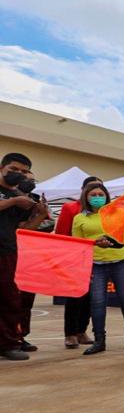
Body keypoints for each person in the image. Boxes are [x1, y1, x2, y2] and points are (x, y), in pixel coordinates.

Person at [72, 182, 124, 356]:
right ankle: (99, 340)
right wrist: (95, 242)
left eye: (101, 194)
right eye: (93, 195)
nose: (98, 198)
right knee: (97, 303)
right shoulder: (79, 218)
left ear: (107, 196)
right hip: (95, 264)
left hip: (121, 260)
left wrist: (115, 242)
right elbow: (77, 244)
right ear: (86, 197)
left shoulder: (118, 213)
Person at [0, 153, 48, 360]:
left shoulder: (21, 196)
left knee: (9, 299)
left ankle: (9, 342)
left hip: (7, 251)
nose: (18, 174)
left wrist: (39, 214)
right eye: (13, 169)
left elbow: (26, 228)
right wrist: (14, 201)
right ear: (2, 168)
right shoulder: (16, 198)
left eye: (23, 171)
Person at [55, 175, 102, 349]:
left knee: (92, 298)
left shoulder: (105, 210)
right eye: (91, 189)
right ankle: (70, 333)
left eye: (100, 189)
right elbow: (62, 233)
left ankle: (82, 330)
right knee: (75, 297)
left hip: (98, 259)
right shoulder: (70, 208)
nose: (96, 194)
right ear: (83, 191)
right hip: (75, 259)